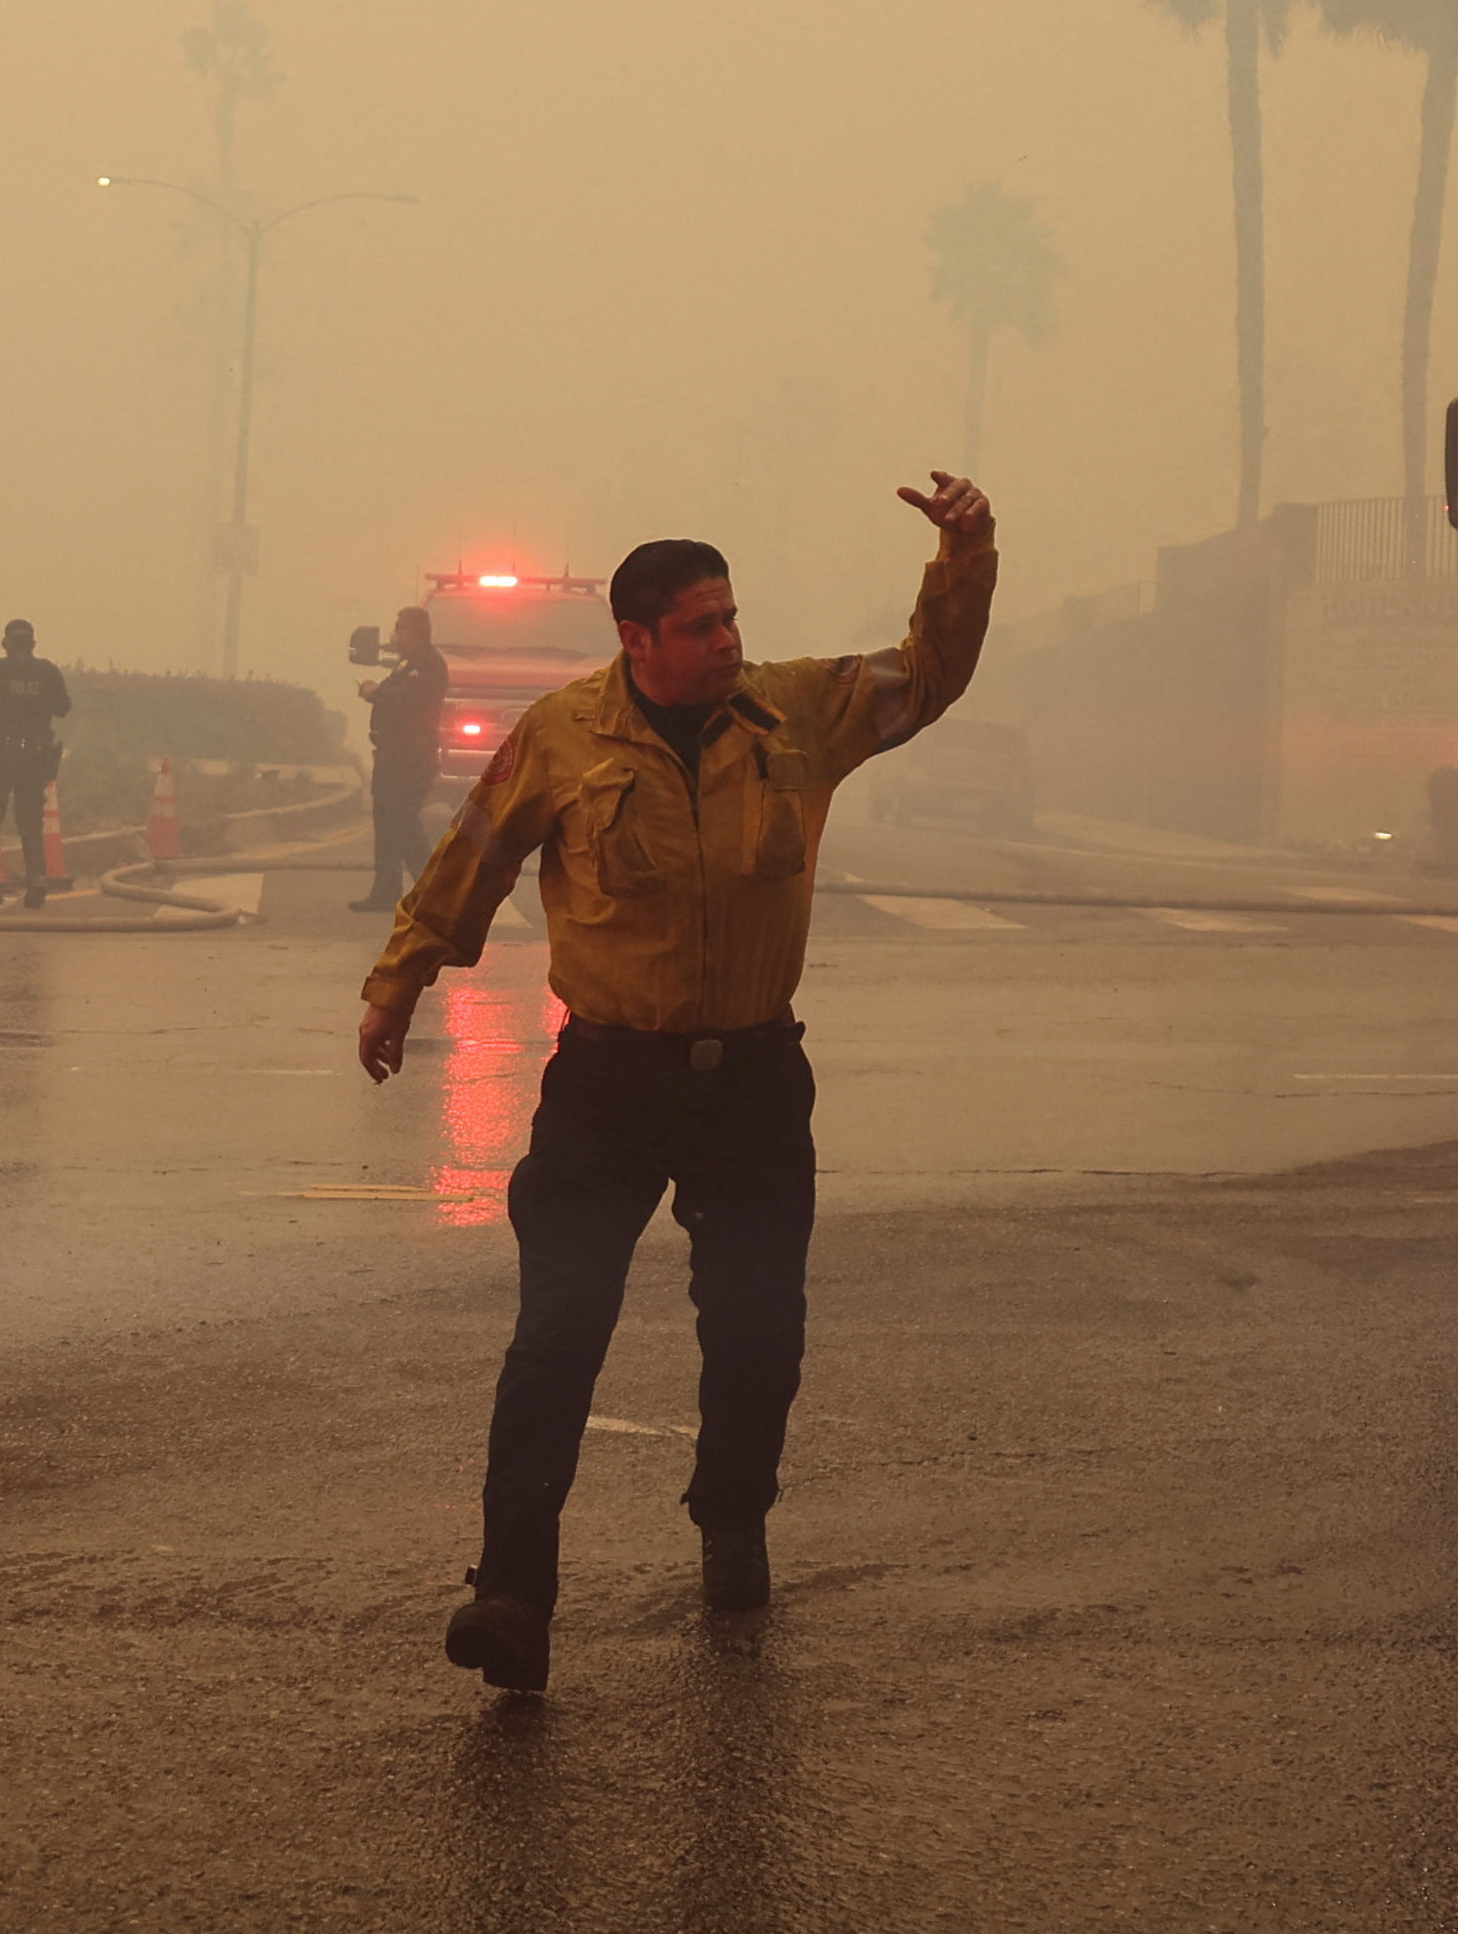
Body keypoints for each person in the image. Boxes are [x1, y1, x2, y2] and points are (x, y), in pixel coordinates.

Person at [354, 479, 995, 1697]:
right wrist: (400, 981)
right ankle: (511, 1595)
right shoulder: (562, 735)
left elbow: (933, 671)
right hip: (606, 1086)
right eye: (701, 625)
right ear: (635, 638)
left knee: (757, 1334)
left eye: (732, 618)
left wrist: (964, 553)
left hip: (752, 1084)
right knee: (556, 1339)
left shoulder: (797, 714)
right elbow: (474, 857)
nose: (728, 642)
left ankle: (732, 1510)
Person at [0, 618, 73, 907]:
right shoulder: (47, 672)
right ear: (32, 644)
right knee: (31, 821)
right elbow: (63, 708)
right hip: (33, 758)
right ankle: (36, 881)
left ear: (6, 644)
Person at [350, 604, 447, 911]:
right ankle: (385, 890)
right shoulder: (406, 664)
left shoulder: (428, 663)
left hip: (411, 757)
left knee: (403, 820)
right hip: (391, 755)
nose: (396, 634)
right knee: (386, 822)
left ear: (417, 631)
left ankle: (432, 890)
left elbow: (407, 700)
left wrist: (374, 693)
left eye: (401, 628)